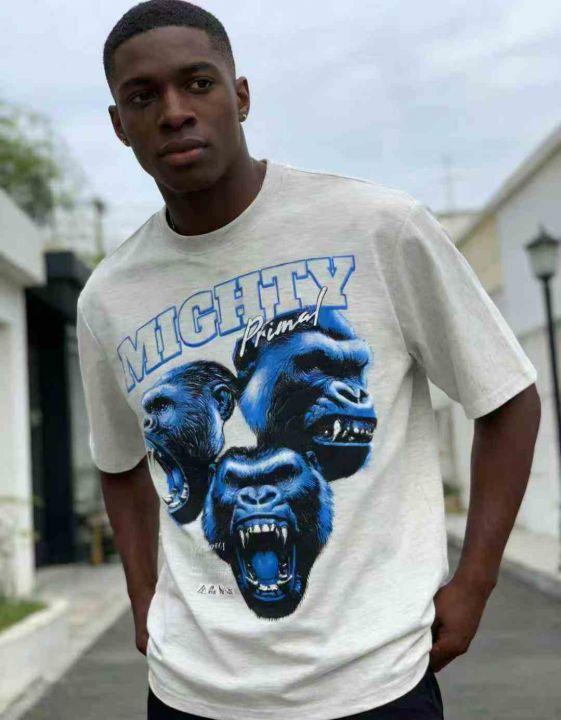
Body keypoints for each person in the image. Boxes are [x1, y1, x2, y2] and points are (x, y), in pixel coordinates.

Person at [76, 1, 541, 718]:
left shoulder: (377, 227)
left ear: (240, 95)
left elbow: (506, 396)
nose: (174, 112)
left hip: (373, 680)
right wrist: (146, 601)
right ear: (119, 124)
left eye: (198, 83)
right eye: (143, 97)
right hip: (192, 691)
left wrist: (475, 581)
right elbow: (118, 462)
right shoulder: (109, 295)